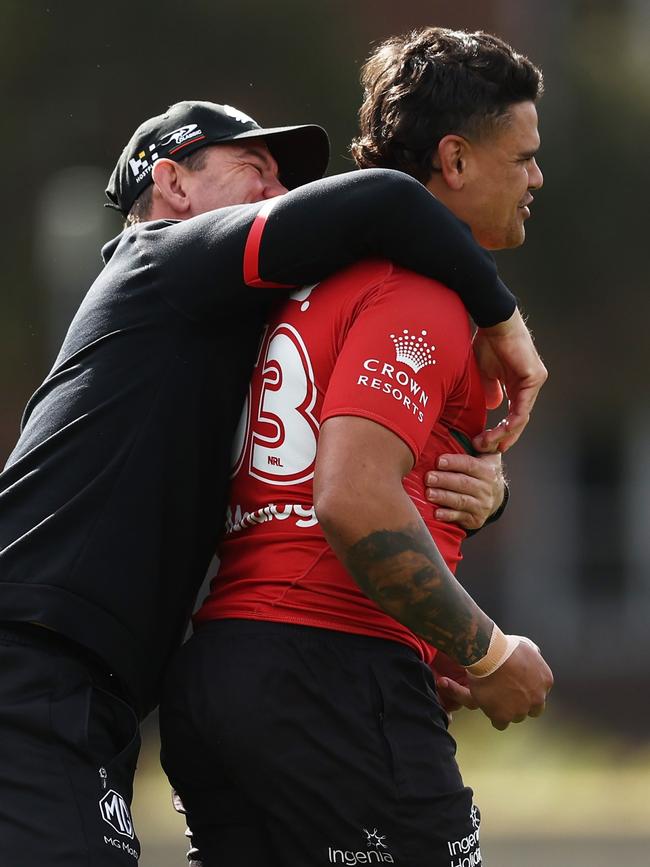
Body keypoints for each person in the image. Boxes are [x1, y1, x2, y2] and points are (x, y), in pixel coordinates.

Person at [0, 96, 543, 865]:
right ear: (173, 185)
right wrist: (503, 318)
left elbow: (312, 460)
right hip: (30, 668)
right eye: (255, 171)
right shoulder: (162, 258)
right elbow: (388, 201)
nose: (281, 195)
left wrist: (488, 498)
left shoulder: (220, 326)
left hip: (104, 691)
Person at [159, 28, 554, 867]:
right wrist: (488, 651)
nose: (536, 179)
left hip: (224, 673)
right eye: (522, 157)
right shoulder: (419, 292)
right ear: (454, 160)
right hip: (328, 674)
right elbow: (353, 498)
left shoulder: (314, 280)